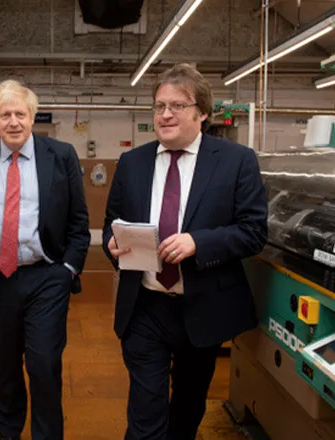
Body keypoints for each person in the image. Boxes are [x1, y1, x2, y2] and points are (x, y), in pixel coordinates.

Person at [102, 64, 268, 440]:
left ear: (202, 112)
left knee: (189, 406)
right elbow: (113, 223)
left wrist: (199, 242)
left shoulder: (236, 161)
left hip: (203, 306)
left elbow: (254, 232)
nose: (165, 114)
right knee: (146, 410)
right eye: (159, 105)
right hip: (145, 305)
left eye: (177, 105)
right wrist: (113, 247)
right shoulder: (132, 163)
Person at [0, 79, 90, 440]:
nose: (13, 122)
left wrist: (68, 269)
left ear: (32, 117)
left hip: (47, 276)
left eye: (20, 114)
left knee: (43, 364)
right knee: (6, 364)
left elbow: (79, 221)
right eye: (5, 114)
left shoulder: (61, 155)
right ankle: (8, 433)